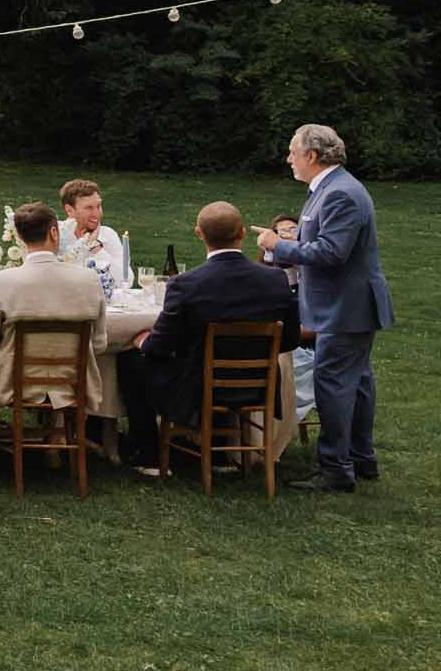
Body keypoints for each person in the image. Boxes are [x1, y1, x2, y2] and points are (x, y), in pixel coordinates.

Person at [255, 123, 395, 492]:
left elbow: (333, 253)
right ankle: (361, 459)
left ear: (312, 156)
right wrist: (295, 239)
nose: (288, 158)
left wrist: (278, 245)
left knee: (332, 384)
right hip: (345, 304)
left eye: (292, 151)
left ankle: (335, 468)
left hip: (345, 307)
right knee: (358, 383)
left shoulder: (341, 193)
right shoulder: (330, 189)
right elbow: (324, 240)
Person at [115, 202, 299, 474]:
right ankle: (220, 452)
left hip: (197, 387)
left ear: (199, 234)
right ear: (242, 234)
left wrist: (143, 340)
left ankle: (150, 454)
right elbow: (289, 340)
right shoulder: (275, 280)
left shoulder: (186, 284)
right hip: (259, 384)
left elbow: (160, 346)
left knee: (131, 361)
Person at [0, 202, 105, 433]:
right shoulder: (89, 280)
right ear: (54, 232)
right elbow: (99, 343)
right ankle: (58, 435)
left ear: (19, 235)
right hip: (73, 382)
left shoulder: (0, 282)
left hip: (11, 383)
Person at [263, 214, 315, 422]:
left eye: (292, 230)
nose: (285, 236)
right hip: (273, 348)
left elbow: (321, 328)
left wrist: (280, 332)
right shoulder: (263, 277)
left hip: (305, 350)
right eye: (279, 232)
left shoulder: (314, 281)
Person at [58, 179, 128, 287]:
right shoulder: (56, 234)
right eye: (89, 208)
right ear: (69, 210)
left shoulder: (108, 235)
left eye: (99, 206)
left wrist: (96, 248)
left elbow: (126, 280)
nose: (96, 213)